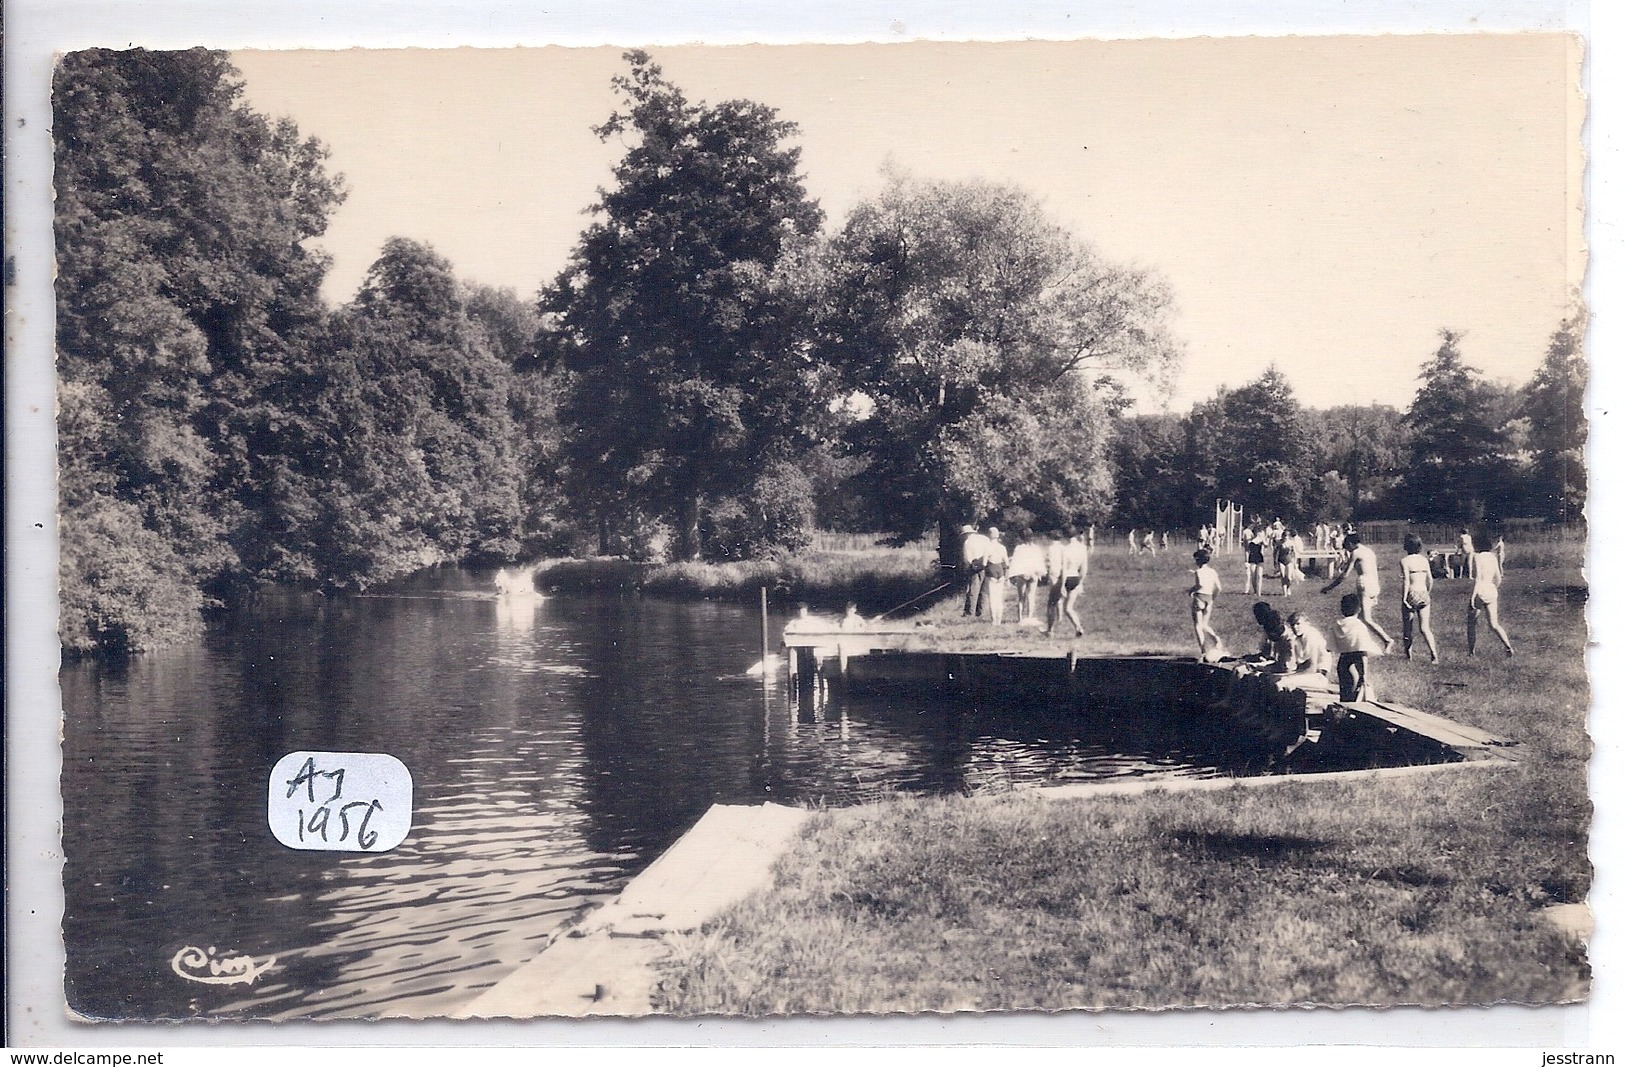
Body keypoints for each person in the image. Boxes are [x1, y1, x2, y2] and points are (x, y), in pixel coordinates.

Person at [1321, 531, 1395, 652]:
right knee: (1360, 618)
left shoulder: (1356, 553)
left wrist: (1329, 587)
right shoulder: (1369, 551)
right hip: (1374, 585)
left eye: (1347, 547)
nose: (1348, 551)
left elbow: (1345, 575)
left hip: (1365, 585)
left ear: (1350, 543)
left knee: (1366, 619)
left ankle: (1387, 640)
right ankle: (1361, 643)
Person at [1467, 530, 1515, 656]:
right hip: (1491, 590)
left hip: (1480, 590)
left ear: (1477, 545)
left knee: (1471, 624)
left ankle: (1471, 651)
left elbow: (1477, 578)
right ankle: (1508, 646)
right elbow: (1498, 578)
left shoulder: (1477, 557)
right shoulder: (1493, 557)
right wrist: (1494, 588)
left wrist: (1472, 597)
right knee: (1494, 624)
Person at [1331, 592, 1384, 701]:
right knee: (1355, 696)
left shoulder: (1337, 625)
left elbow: (1330, 647)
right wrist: (1365, 673)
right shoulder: (1359, 626)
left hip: (1343, 661)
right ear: (1359, 610)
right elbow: (1363, 650)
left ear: (1342, 609)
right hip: (1355, 661)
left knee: (1344, 695)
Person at [1399, 533, 1440, 664]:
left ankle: (1408, 655)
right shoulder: (1424, 560)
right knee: (1425, 628)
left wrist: (1404, 598)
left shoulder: (1405, 561)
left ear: (1406, 546)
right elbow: (1430, 580)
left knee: (1408, 628)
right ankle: (1433, 653)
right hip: (1423, 593)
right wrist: (1428, 592)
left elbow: (1406, 581)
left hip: (1411, 593)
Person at [1278, 611, 1334, 690]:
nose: (1295, 627)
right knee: (1276, 678)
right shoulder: (1298, 638)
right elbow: (1300, 665)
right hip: (1309, 673)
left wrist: (1290, 676)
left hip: (1319, 676)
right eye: (1292, 625)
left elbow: (1312, 668)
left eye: (1298, 624)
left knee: (1282, 682)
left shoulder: (1311, 636)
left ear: (1307, 623)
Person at [1189, 548, 1224, 660]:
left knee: (1198, 626)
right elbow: (1219, 587)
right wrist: (1213, 598)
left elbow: (1200, 585)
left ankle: (1204, 651)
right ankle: (1215, 638)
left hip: (1199, 597)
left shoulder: (1198, 572)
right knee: (1205, 624)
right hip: (1209, 598)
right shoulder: (1213, 572)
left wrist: (1191, 590)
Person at [1008, 530, 1045, 627]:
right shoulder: (1035, 548)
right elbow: (1039, 561)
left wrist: (1015, 575)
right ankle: (1029, 617)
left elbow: (1015, 562)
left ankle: (1020, 618)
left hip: (1022, 574)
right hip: (1033, 574)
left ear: (1021, 537)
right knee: (1031, 596)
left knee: (1021, 597)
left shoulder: (1019, 548)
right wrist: (1038, 573)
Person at [1247, 601, 1294, 672]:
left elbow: (1287, 666)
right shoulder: (1270, 630)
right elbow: (1266, 654)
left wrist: (1260, 667)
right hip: (1273, 664)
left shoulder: (1289, 639)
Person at [982, 526, 1011, 625]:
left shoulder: (987, 547)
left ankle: (994, 620)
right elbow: (1007, 563)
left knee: (992, 598)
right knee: (999, 597)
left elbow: (984, 563)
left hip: (991, 572)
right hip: (1000, 572)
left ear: (989, 535)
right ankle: (999, 619)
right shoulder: (1002, 548)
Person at [961, 524, 991, 617]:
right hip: (987, 564)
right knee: (984, 590)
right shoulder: (984, 539)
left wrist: (968, 568)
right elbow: (989, 551)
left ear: (966, 534)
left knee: (973, 589)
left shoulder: (967, 542)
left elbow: (968, 558)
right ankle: (981, 611)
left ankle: (970, 612)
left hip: (976, 566)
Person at [1277, 528, 1301, 597]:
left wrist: (1295, 563)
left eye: (1286, 536)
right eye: (1284, 536)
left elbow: (1295, 553)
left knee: (1289, 577)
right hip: (1281, 560)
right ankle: (1284, 592)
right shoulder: (1279, 543)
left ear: (1288, 536)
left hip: (1289, 560)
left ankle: (1288, 588)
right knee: (1283, 575)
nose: (1285, 537)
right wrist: (1275, 562)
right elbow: (1276, 553)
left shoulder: (1291, 543)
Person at [1244, 525, 1266, 595]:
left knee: (1259, 575)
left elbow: (1266, 545)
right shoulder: (1249, 541)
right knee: (1253, 576)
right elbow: (1247, 551)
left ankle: (1259, 592)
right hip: (1252, 558)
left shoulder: (1261, 540)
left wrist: (1263, 540)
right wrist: (1246, 561)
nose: (1258, 533)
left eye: (1259, 532)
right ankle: (1255, 591)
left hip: (1259, 558)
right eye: (1257, 532)